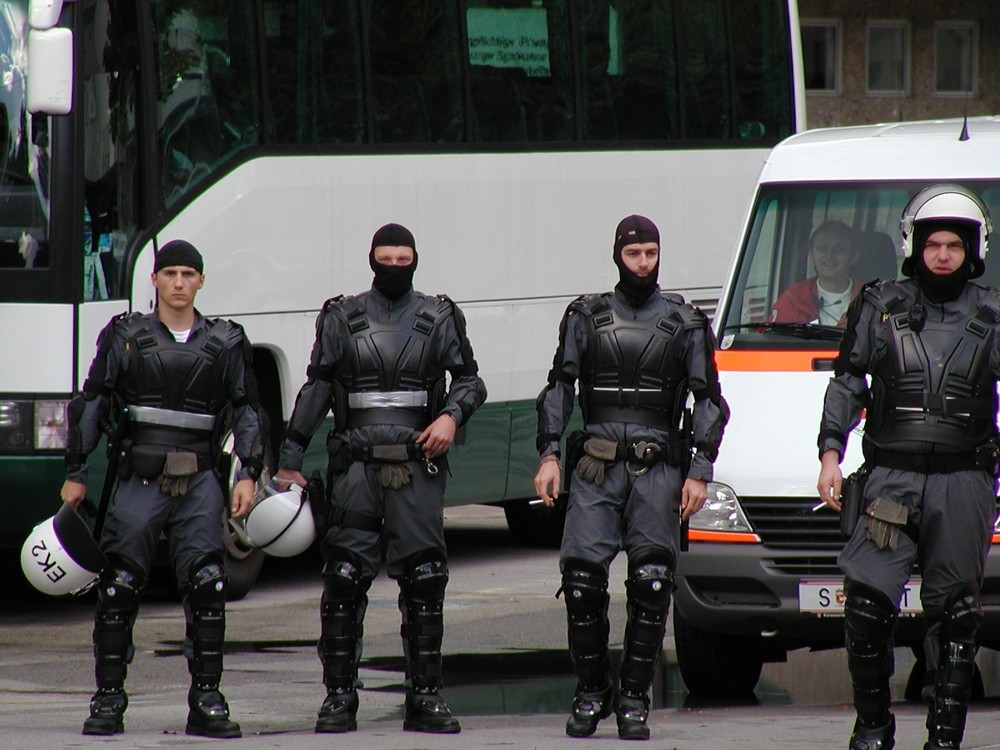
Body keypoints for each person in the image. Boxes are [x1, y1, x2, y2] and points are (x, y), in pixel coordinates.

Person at [275, 222, 487, 735]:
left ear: (416, 259)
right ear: (371, 259)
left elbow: (470, 380)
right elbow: (317, 388)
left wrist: (451, 416)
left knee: (424, 580)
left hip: (417, 467)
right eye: (385, 258)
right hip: (355, 468)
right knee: (344, 578)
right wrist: (289, 457)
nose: (394, 266)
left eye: (403, 258)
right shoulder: (340, 317)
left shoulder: (439, 316)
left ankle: (426, 696)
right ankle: (339, 697)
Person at [817, 184, 999, 750]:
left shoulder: (993, 314)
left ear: (973, 251)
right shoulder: (879, 305)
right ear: (913, 246)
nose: (942, 255)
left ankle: (944, 737)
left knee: (959, 615)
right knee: (867, 604)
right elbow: (848, 382)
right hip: (890, 479)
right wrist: (829, 453)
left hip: (964, 479)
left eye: (953, 246)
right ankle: (873, 724)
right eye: (933, 244)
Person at [534, 214, 729, 741]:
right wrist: (549, 454)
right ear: (618, 255)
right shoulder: (585, 316)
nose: (642, 262)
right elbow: (559, 388)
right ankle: (592, 689)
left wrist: (700, 471)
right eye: (633, 254)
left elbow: (709, 400)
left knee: (651, 581)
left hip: (657, 468)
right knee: (580, 581)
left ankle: (635, 698)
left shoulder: (685, 320)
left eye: (650, 253)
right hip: (596, 465)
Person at [60, 239, 265, 738]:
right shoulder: (126, 335)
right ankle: (108, 699)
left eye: (187, 274)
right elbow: (93, 402)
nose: (178, 283)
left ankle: (207, 700)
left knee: (208, 584)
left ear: (200, 281)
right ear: (153, 280)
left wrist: (248, 473)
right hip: (138, 477)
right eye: (169, 273)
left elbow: (248, 411)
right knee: (120, 585)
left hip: (199, 480)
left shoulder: (226, 341)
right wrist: (76, 471)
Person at [770, 220, 862, 326]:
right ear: (811, 254)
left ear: (853, 257)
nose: (829, 256)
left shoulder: (873, 301)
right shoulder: (793, 299)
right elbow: (770, 339)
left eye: (838, 250)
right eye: (822, 249)